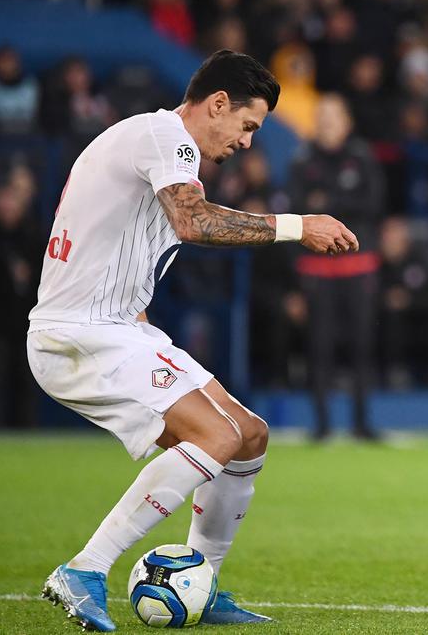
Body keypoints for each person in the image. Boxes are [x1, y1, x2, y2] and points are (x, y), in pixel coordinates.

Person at [28, 50, 359, 632]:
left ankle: (200, 581)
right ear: (218, 104)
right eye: (248, 126)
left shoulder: (157, 146)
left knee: (249, 435)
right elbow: (195, 222)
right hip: (80, 335)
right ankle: (85, 568)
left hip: (116, 328)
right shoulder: (164, 135)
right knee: (216, 434)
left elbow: (149, 231)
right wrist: (295, 226)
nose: (249, 143)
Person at [289, 94, 384, 440]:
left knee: (362, 345)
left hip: (358, 266)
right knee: (319, 347)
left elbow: (373, 203)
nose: (327, 122)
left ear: (347, 121)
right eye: (322, 116)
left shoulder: (361, 157)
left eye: (333, 115)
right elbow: (298, 210)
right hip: (317, 270)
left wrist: (325, 201)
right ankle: (322, 427)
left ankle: (362, 424)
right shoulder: (302, 159)